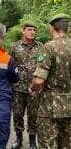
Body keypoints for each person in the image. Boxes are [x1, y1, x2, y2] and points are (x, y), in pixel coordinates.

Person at [30, 13, 71, 148]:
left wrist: (32, 89)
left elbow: (38, 81)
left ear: (51, 28)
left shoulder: (49, 47)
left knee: (48, 144)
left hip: (50, 107)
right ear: (67, 28)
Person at [11, 21, 43, 149]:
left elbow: (43, 66)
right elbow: (10, 66)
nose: (32, 32)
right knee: (17, 114)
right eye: (29, 29)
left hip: (34, 88)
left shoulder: (41, 46)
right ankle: (18, 139)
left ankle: (32, 141)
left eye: (34, 30)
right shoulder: (15, 46)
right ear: (23, 31)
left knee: (33, 115)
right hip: (18, 87)